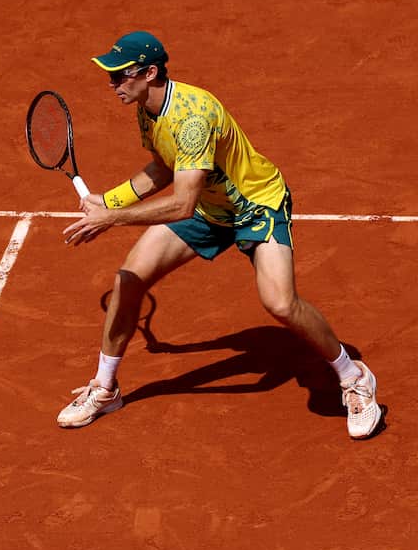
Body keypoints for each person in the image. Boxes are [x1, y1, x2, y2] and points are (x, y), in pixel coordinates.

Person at [57, 31, 383, 439]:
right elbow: (164, 166)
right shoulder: (147, 108)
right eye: (112, 76)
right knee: (129, 278)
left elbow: (182, 204)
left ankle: (354, 377)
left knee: (280, 302)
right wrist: (111, 199)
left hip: (255, 205)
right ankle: (105, 389)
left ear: (150, 73)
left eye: (121, 75)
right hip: (211, 209)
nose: (113, 84)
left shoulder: (193, 119)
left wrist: (112, 218)